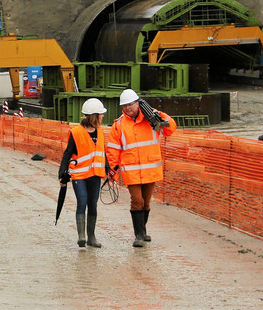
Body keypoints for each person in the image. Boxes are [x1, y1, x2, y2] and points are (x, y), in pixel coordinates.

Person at [106, 89, 176, 248]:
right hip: (131, 171)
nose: (128, 107)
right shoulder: (119, 125)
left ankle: (143, 231)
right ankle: (138, 235)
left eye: (130, 104)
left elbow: (170, 129)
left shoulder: (152, 120)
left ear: (138, 103)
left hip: (150, 170)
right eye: (125, 105)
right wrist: (113, 173)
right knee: (137, 201)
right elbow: (113, 150)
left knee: (146, 203)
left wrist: (161, 115)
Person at [58, 98, 109, 248]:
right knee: (82, 202)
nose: (103, 116)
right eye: (101, 114)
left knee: (92, 204)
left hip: (95, 174)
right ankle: (82, 236)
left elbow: (102, 152)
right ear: (94, 115)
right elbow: (67, 154)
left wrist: (107, 167)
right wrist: (62, 172)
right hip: (79, 175)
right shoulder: (76, 132)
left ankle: (91, 237)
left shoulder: (100, 132)